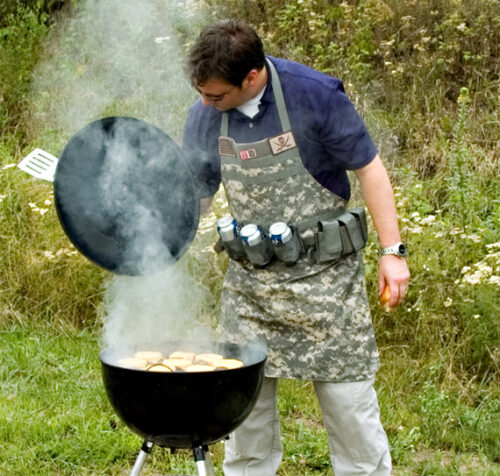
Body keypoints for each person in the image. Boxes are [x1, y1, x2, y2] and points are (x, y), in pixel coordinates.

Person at [182, 19, 410, 476]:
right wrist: (154, 221)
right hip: (251, 288)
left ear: (251, 77)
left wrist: (393, 252)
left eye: (216, 95)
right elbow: (198, 194)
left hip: (327, 286)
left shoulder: (316, 95)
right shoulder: (205, 114)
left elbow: (369, 168)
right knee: (245, 416)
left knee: (350, 410)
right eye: (202, 93)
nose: (205, 103)